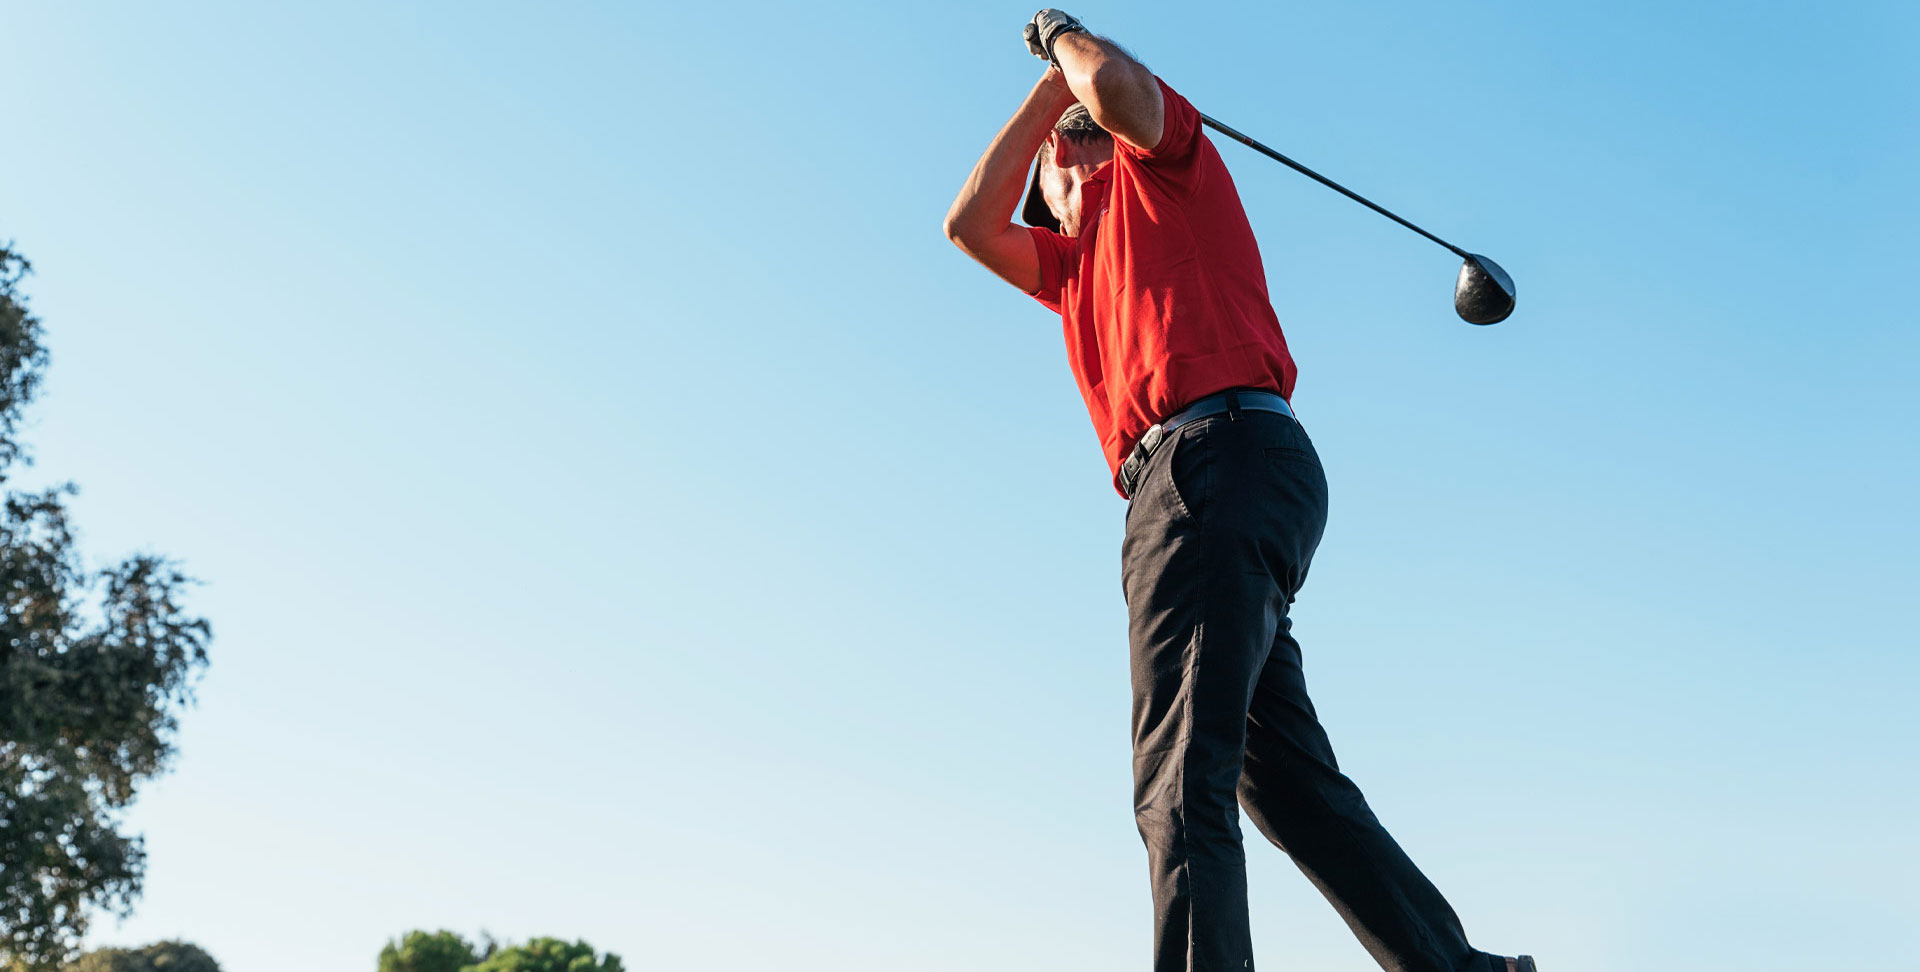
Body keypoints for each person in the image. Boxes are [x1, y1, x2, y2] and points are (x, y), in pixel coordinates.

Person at [941, 11, 1536, 972]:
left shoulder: (1162, 168)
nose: (1075, 144)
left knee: (1178, 783)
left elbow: (1121, 95)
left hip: (1215, 459)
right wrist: (1050, 97)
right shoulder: (1068, 265)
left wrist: (1064, 38)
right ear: (1046, 195)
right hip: (1219, 478)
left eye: (1082, 129)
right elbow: (967, 224)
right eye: (1061, 153)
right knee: (1282, 781)